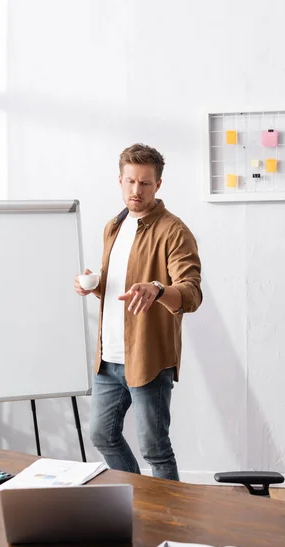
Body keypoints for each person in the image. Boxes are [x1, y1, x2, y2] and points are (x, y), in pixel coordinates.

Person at [74, 143, 202, 480]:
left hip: (148, 358)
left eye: (145, 183)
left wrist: (158, 290)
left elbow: (191, 293)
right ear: (120, 180)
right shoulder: (113, 226)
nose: (136, 190)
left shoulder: (174, 231)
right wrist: (94, 284)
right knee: (102, 434)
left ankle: (167, 520)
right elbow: (120, 285)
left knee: (155, 450)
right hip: (109, 358)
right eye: (130, 181)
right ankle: (135, 502)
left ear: (158, 185)